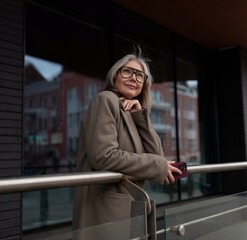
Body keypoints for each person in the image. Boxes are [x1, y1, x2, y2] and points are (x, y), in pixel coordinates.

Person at [72, 47, 182, 239]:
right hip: (106, 211)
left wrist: (142, 117)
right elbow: (104, 157)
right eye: (127, 71)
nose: (134, 78)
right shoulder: (105, 100)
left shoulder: (133, 113)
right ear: (115, 76)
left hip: (132, 209)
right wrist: (158, 165)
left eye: (140, 76)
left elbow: (158, 156)